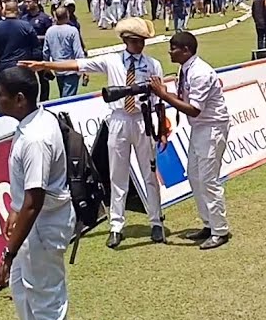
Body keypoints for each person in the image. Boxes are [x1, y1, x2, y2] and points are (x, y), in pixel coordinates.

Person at [19, 17, 166, 248]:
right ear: (126, 40)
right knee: (117, 175)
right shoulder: (112, 61)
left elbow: (159, 98)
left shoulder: (153, 64)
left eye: (142, 41)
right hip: (118, 119)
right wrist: (45, 65)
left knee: (149, 172)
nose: (140, 46)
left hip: (141, 118)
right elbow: (78, 65)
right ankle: (116, 225)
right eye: (136, 41)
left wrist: (162, 128)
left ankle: (156, 220)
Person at [0, 66, 79, 320]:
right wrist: (14, 214)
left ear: (20, 98)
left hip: (43, 230)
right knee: (24, 296)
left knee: (47, 303)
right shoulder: (31, 126)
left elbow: (34, 199)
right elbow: (24, 199)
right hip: (33, 227)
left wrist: (8, 253)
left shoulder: (36, 137)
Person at [148, 31, 231, 250]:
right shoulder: (186, 69)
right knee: (194, 176)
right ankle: (208, 224)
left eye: (174, 47)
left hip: (212, 127)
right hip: (200, 128)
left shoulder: (200, 73)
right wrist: (164, 94)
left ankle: (220, 230)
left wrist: (164, 95)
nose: (170, 51)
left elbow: (194, 109)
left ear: (186, 50)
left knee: (208, 179)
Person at [43, 7, 85, 98]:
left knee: (63, 95)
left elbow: (46, 52)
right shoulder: (72, 30)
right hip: (71, 69)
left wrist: (47, 67)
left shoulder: (49, 31)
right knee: (68, 99)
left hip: (58, 69)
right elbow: (78, 51)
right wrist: (84, 68)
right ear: (67, 15)